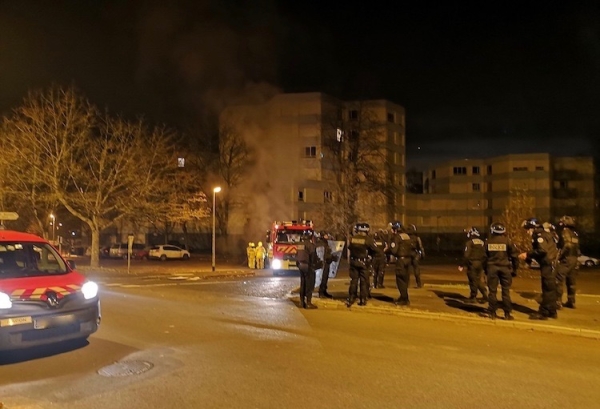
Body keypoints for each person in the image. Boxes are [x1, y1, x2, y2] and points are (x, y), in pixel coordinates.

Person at [519, 218, 559, 320]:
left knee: (547, 288)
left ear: (532, 228)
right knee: (550, 288)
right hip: (551, 264)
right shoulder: (545, 233)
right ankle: (552, 311)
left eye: (527, 229)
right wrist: (529, 258)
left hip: (548, 264)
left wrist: (527, 254)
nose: (527, 232)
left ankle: (544, 312)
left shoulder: (539, 236)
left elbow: (542, 250)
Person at [483, 223, 519, 320]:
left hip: (492, 268)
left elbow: (484, 257)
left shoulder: (488, 242)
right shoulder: (508, 241)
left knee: (492, 291)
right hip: (505, 268)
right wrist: (515, 269)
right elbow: (514, 256)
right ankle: (507, 313)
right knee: (505, 291)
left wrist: (485, 270)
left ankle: (492, 312)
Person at [347, 222, 379, 307]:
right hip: (363, 263)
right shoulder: (368, 239)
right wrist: (371, 256)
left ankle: (351, 298)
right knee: (363, 282)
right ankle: (362, 299)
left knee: (354, 281)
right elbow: (376, 250)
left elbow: (350, 248)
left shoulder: (352, 238)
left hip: (354, 262)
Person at [555, 215, 580, 309]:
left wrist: (560, 256)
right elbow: (577, 248)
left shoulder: (565, 231)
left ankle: (558, 302)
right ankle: (571, 301)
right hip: (574, 258)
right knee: (571, 281)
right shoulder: (575, 233)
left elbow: (567, 245)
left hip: (567, 258)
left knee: (558, 278)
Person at [386, 221, 413, 306]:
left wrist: (389, 247)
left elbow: (394, 250)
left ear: (395, 230)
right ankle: (403, 297)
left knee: (400, 280)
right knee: (405, 279)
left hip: (401, 261)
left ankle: (404, 299)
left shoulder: (397, 237)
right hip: (408, 260)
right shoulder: (407, 236)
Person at [459, 227, 488, 304]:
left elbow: (466, 255)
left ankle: (473, 297)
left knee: (473, 281)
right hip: (481, 264)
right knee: (480, 281)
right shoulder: (483, 242)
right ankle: (485, 296)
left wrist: (462, 265)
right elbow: (486, 254)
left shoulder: (469, 242)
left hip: (472, 264)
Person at [296, 230, 319, 309]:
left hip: (300, 265)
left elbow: (297, 255)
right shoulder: (310, 245)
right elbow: (313, 256)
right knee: (309, 283)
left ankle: (301, 302)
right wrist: (314, 265)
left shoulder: (300, 244)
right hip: (307, 265)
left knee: (303, 284)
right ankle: (308, 303)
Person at [318, 231, 336, 298]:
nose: (327, 236)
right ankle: (321, 292)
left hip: (326, 262)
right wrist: (332, 257)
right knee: (323, 278)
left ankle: (324, 291)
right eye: (326, 235)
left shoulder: (326, 243)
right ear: (323, 236)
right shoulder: (321, 243)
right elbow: (324, 254)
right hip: (324, 263)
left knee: (325, 278)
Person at [407, 224, 425, 288]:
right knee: (416, 270)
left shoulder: (406, 237)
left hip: (407, 255)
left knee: (407, 270)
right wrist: (422, 255)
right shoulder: (417, 238)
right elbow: (420, 247)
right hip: (415, 255)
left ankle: (406, 284)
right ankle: (418, 284)